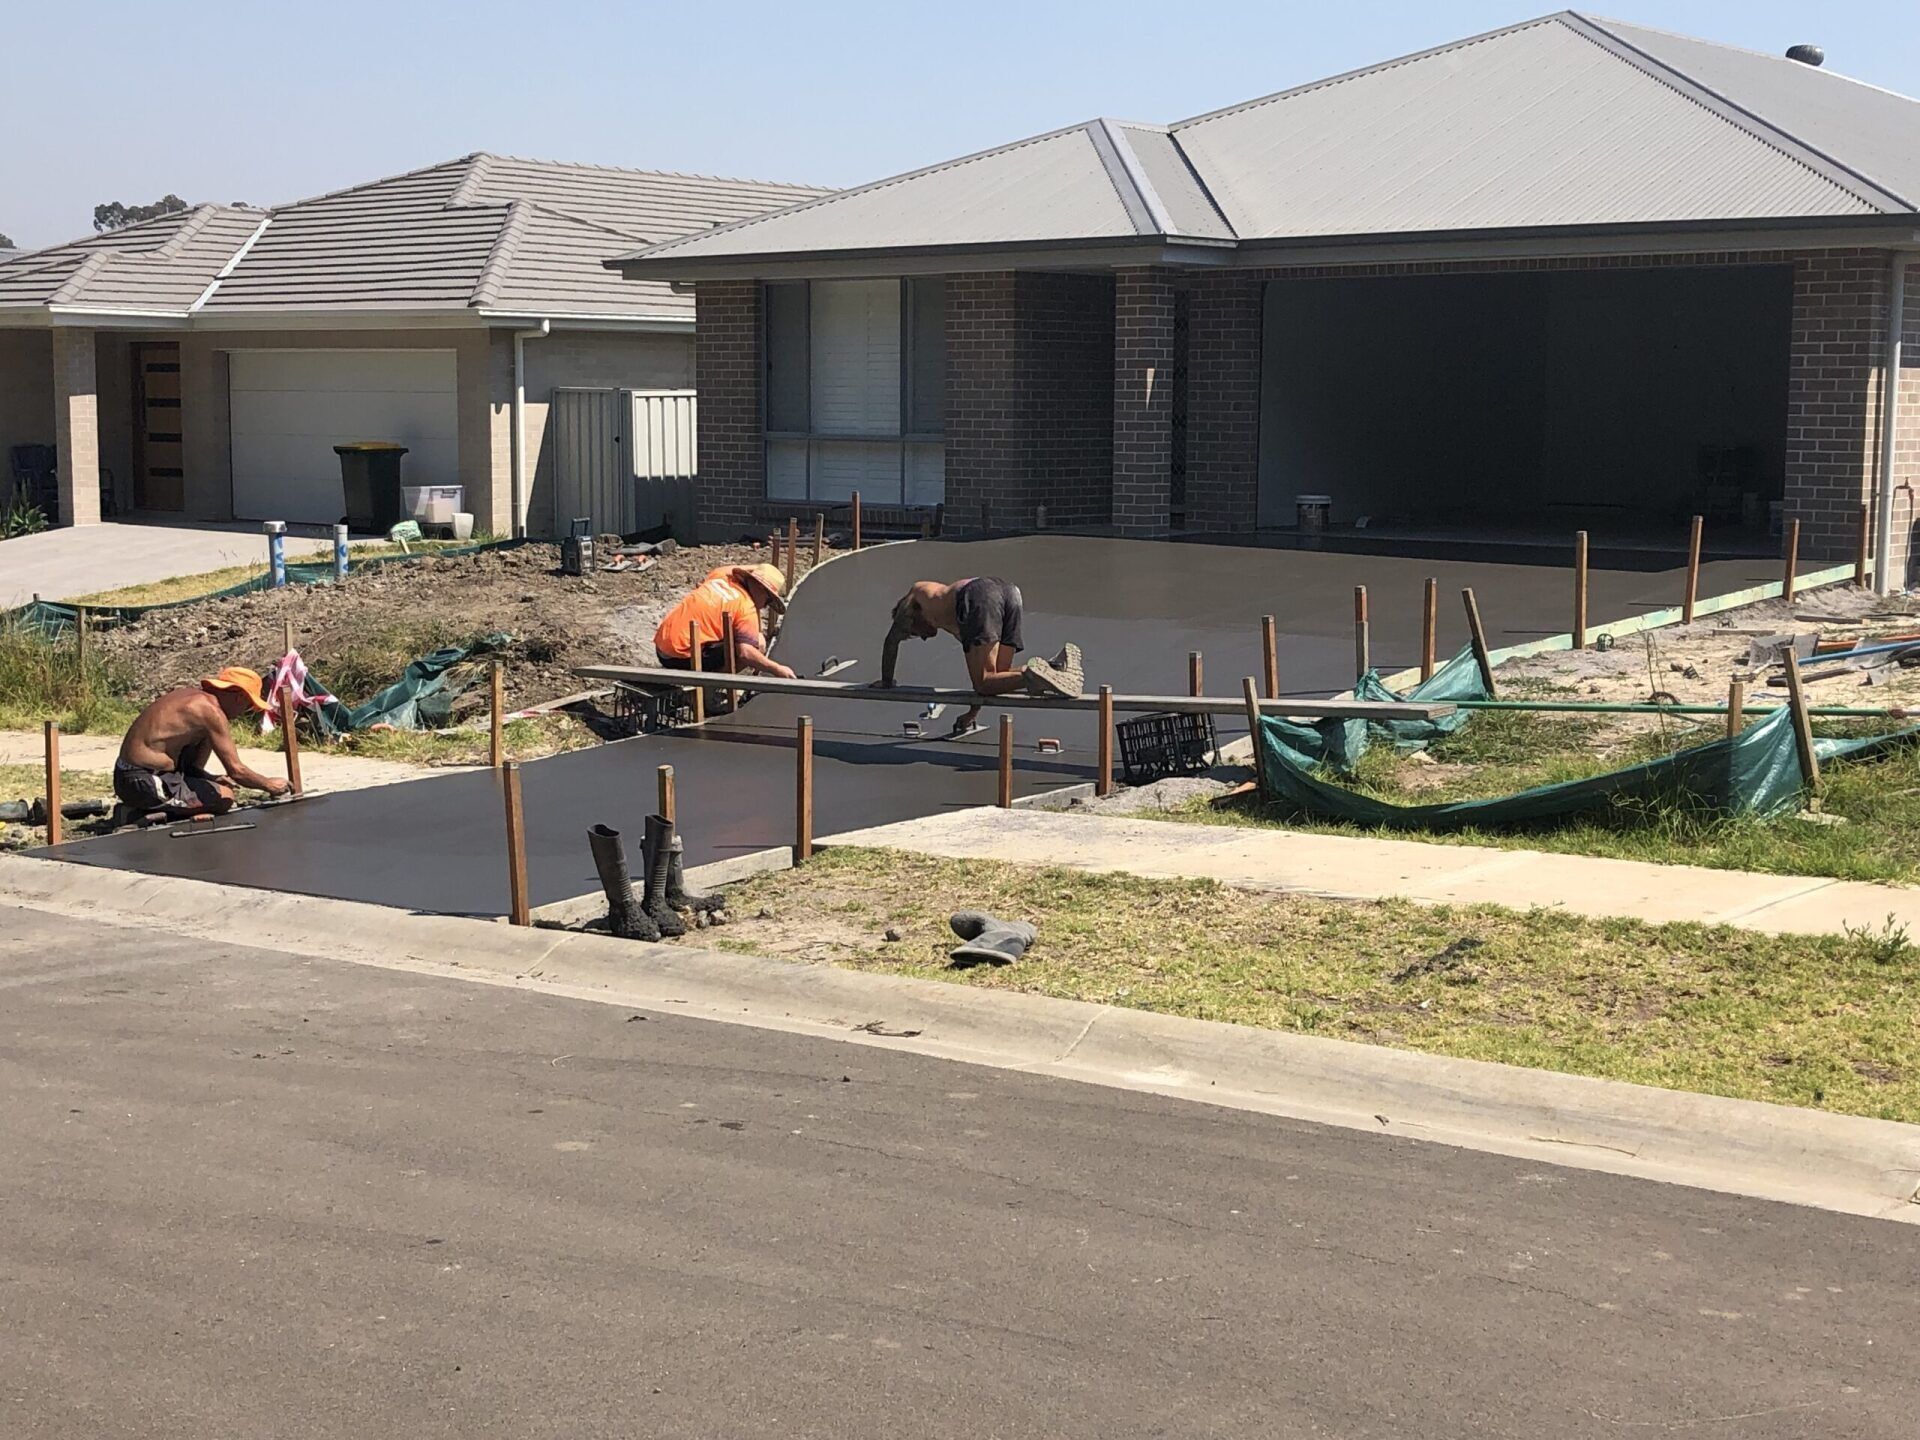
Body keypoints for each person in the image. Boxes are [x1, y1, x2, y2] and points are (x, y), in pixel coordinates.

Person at [879, 577, 1082, 734]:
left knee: (985, 682)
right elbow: (986, 681)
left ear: (911, 620)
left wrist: (886, 682)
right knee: (998, 678)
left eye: (916, 633)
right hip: (1009, 592)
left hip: (978, 595)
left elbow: (891, 641)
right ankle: (1055, 666)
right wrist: (971, 714)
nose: (923, 638)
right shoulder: (953, 620)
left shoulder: (912, 601)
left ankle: (1034, 673)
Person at [114, 666, 290, 821]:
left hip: (129, 776)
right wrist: (269, 784)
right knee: (225, 797)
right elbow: (236, 771)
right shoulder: (211, 713)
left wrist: (209, 778)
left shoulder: (193, 699)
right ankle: (137, 814)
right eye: (248, 706)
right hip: (142, 782)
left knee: (217, 782)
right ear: (240, 698)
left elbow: (188, 763)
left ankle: (156, 806)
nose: (244, 712)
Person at [653, 563, 796, 679]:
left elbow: (733, 568)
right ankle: (711, 689)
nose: (765, 606)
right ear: (760, 588)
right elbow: (745, 653)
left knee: (747, 636)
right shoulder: (746, 607)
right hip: (681, 657)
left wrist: (760, 569)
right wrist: (777, 669)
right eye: (768, 599)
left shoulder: (721, 576)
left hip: (661, 648)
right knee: (756, 646)